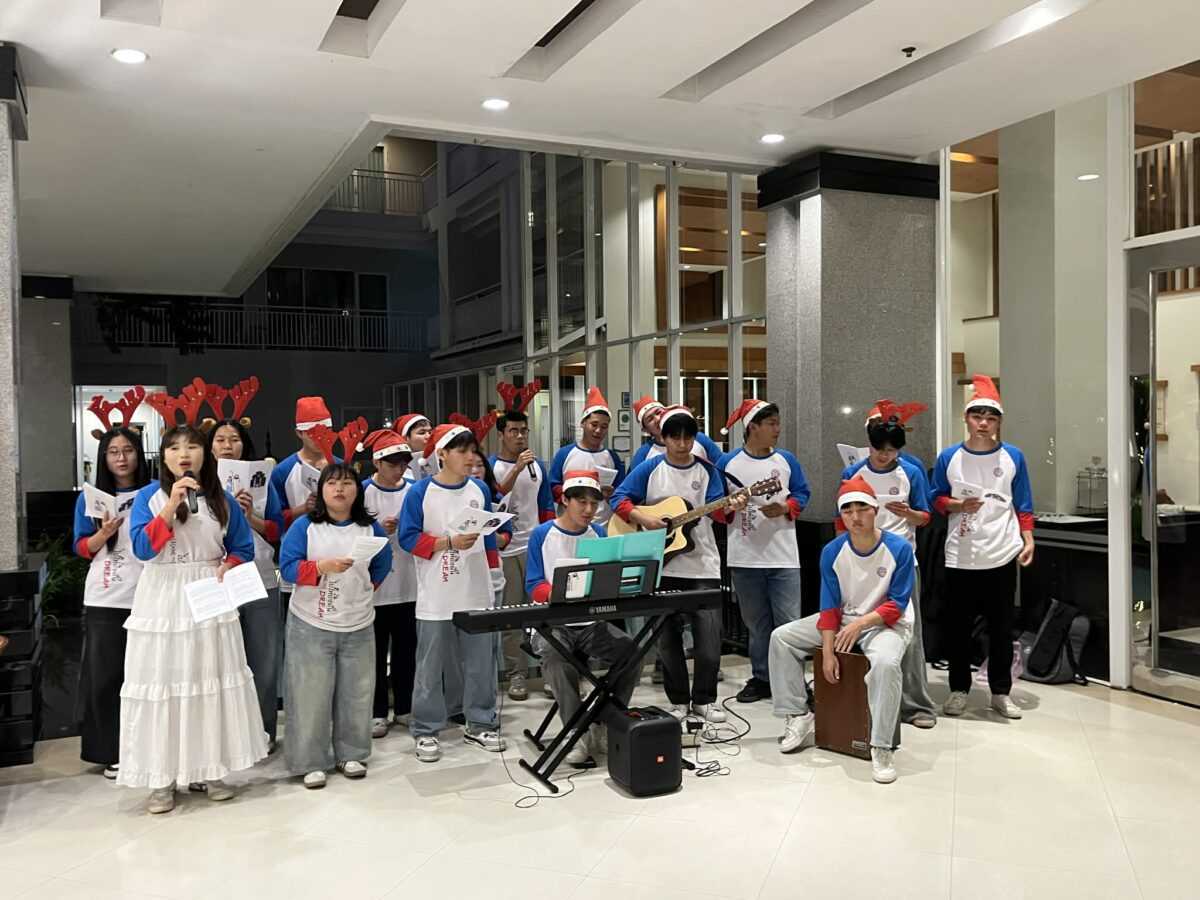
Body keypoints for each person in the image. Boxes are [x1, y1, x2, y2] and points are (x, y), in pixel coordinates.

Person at [122, 416, 266, 813]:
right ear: (163, 457)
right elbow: (143, 549)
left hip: (208, 593)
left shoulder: (221, 498)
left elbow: (242, 547)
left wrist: (230, 564)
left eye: (192, 446)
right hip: (163, 597)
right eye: (174, 448)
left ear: (205, 454)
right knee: (164, 683)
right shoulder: (148, 497)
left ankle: (209, 769)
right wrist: (172, 504)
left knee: (209, 681)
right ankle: (161, 779)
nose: (183, 454)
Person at [770, 477, 914, 784]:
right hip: (846, 619)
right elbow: (829, 606)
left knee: (885, 664)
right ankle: (798, 714)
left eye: (862, 508)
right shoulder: (832, 551)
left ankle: (881, 745)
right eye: (848, 510)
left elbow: (897, 604)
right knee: (782, 638)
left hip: (885, 623)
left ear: (875, 510)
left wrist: (860, 624)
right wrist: (827, 652)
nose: (855, 516)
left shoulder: (899, 549)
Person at [611, 406, 747, 723]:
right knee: (667, 640)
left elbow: (716, 512)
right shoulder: (650, 468)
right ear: (664, 438)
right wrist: (646, 519)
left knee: (709, 637)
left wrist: (733, 506)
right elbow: (619, 498)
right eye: (676, 438)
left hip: (703, 564)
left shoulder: (707, 470)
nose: (683, 444)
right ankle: (678, 700)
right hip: (661, 565)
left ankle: (705, 700)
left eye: (688, 438)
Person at [279, 464, 392, 788]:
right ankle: (310, 760)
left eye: (346, 483)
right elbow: (288, 567)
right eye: (332, 483)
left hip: (358, 622)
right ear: (321, 491)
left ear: (357, 490)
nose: (339, 489)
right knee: (308, 695)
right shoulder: (305, 527)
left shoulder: (371, 529)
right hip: (311, 622)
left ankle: (352, 752)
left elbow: (382, 565)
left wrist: (361, 590)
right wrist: (320, 567)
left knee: (357, 692)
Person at [399, 424, 506, 762]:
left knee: (480, 663)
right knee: (430, 667)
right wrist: (448, 543)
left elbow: (488, 539)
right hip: (436, 593)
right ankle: (425, 729)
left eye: (472, 450)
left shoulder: (479, 489)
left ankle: (480, 722)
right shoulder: (420, 492)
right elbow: (407, 538)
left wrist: (494, 573)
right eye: (462, 451)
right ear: (442, 454)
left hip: (476, 590)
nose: (470, 457)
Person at [931, 375, 1035, 720]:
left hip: (1001, 552)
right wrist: (957, 505)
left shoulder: (1013, 456)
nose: (983, 423)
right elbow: (935, 499)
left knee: (1002, 627)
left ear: (999, 421)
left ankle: (1000, 692)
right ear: (966, 419)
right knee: (958, 626)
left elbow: (1023, 502)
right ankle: (959, 689)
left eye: (991, 418)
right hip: (960, 555)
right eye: (977, 416)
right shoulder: (949, 457)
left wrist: (1028, 538)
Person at [526, 470, 639, 766]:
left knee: (632, 653)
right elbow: (533, 584)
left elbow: (608, 576)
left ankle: (606, 720)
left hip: (591, 622)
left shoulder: (599, 533)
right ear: (565, 500)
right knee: (556, 657)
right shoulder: (542, 534)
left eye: (594, 503)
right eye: (582, 502)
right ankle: (575, 730)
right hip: (552, 623)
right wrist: (560, 591)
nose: (589, 510)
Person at [840, 400, 937, 728]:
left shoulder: (911, 471)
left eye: (892, 451)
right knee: (859, 628)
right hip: (861, 564)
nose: (885, 456)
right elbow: (842, 519)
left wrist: (909, 514)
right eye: (880, 450)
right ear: (869, 444)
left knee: (910, 634)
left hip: (903, 563)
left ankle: (917, 705)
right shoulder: (854, 473)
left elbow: (925, 516)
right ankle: (864, 700)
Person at [73, 388, 152, 779]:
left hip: (150, 595)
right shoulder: (91, 498)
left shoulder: (155, 492)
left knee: (147, 676)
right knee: (106, 676)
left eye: (128, 450)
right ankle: (109, 751)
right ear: (103, 458)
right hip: (106, 597)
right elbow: (81, 548)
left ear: (140, 455)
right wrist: (103, 534)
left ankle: (147, 747)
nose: (122, 458)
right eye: (113, 452)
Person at [206, 380, 288, 750]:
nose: (227, 445)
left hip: (259, 576)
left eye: (234, 439)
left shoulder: (262, 480)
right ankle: (223, 737)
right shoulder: (199, 485)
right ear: (209, 446)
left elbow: (276, 530)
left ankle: (263, 733)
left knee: (263, 660)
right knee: (219, 660)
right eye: (220, 439)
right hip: (216, 579)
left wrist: (250, 515)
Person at [716, 398, 810, 704]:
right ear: (753, 427)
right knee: (756, 625)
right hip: (744, 557)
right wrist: (730, 508)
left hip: (785, 556)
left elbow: (802, 492)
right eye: (771, 424)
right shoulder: (728, 463)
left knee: (790, 624)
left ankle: (794, 682)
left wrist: (787, 506)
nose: (777, 429)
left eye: (777, 423)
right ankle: (762, 678)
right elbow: (714, 505)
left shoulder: (786, 460)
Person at [490, 399, 554, 701]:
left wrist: (549, 539)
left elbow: (545, 505)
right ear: (501, 434)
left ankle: (550, 672)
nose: (520, 436)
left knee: (543, 613)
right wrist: (516, 468)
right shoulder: (492, 465)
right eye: (513, 431)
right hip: (506, 550)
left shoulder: (537, 466)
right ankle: (516, 674)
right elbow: (494, 497)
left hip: (535, 547)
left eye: (524, 431)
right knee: (512, 616)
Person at [360, 429, 418, 738]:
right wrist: (378, 530)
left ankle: (405, 707)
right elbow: (351, 532)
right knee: (375, 651)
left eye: (404, 464)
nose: (399, 470)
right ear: (377, 463)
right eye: (393, 464)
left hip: (410, 582)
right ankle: (377, 711)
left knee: (406, 650)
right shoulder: (362, 491)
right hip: (375, 587)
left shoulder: (414, 490)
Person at [549, 387, 625, 525]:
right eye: (594, 424)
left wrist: (611, 494)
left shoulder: (612, 457)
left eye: (604, 426)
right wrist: (576, 493)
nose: (598, 430)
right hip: (569, 525)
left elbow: (621, 492)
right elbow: (552, 487)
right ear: (583, 423)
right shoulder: (564, 454)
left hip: (603, 525)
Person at [630, 395, 723, 468]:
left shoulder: (699, 439)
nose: (657, 419)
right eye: (650, 419)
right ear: (646, 429)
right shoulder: (643, 454)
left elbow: (721, 466)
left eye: (658, 412)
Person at [395, 413, 436, 479]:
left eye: (430, 432)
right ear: (405, 439)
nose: (428, 436)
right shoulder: (398, 473)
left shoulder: (441, 462)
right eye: (422, 433)